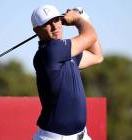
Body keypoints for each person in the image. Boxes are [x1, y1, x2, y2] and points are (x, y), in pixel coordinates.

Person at [31, 5, 103, 140]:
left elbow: (97, 56)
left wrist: (84, 19)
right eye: (47, 23)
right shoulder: (51, 51)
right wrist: (77, 19)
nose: (54, 26)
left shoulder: (66, 52)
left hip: (82, 135)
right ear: (36, 30)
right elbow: (90, 36)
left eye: (57, 20)